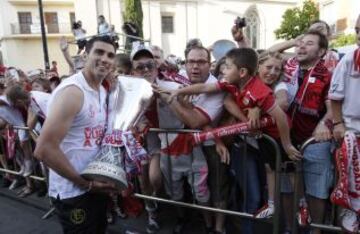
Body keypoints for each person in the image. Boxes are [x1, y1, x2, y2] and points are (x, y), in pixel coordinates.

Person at [163, 48, 300, 233]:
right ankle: (271, 206)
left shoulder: (259, 90)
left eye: (227, 68)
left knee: (289, 177)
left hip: (278, 137)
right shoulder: (233, 84)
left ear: (242, 72)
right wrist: (179, 92)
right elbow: (205, 88)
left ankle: (299, 208)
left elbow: (282, 118)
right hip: (260, 141)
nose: (222, 72)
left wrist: (287, 144)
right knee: (269, 171)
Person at [34, 36, 117, 234]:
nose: (105, 59)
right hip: (74, 192)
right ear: (85, 55)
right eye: (99, 52)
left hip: (95, 186)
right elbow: (44, 150)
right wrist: (85, 184)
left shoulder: (101, 90)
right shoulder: (73, 92)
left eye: (110, 55)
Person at [154, 45, 228, 234]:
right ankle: (185, 219)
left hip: (209, 145)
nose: (195, 67)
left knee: (216, 190)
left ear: (209, 64)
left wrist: (170, 99)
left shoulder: (217, 87)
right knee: (178, 188)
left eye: (201, 62)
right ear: (184, 64)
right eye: (191, 62)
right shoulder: (175, 78)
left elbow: (195, 121)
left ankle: (216, 228)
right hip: (175, 145)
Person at [281, 30, 333, 234]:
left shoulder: (327, 75)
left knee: (316, 190)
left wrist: (323, 123)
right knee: (286, 189)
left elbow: (332, 108)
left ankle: (316, 230)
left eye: (309, 43)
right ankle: (289, 228)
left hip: (315, 141)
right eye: (300, 43)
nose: (301, 46)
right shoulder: (285, 69)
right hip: (286, 140)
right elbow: (264, 54)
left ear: (321, 51)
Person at [328, 14, 360, 234]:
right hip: (353, 135)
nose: (359, 35)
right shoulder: (349, 59)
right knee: (350, 189)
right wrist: (338, 124)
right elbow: (335, 96)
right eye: (358, 30)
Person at [130, 45, 162, 234]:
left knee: (155, 177)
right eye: (140, 67)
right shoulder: (128, 89)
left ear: (156, 67)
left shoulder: (167, 85)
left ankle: (158, 200)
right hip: (139, 142)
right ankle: (152, 214)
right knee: (143, 181)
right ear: (134, 71)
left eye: (150, 65)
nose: (146, 70)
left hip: (160, 141)